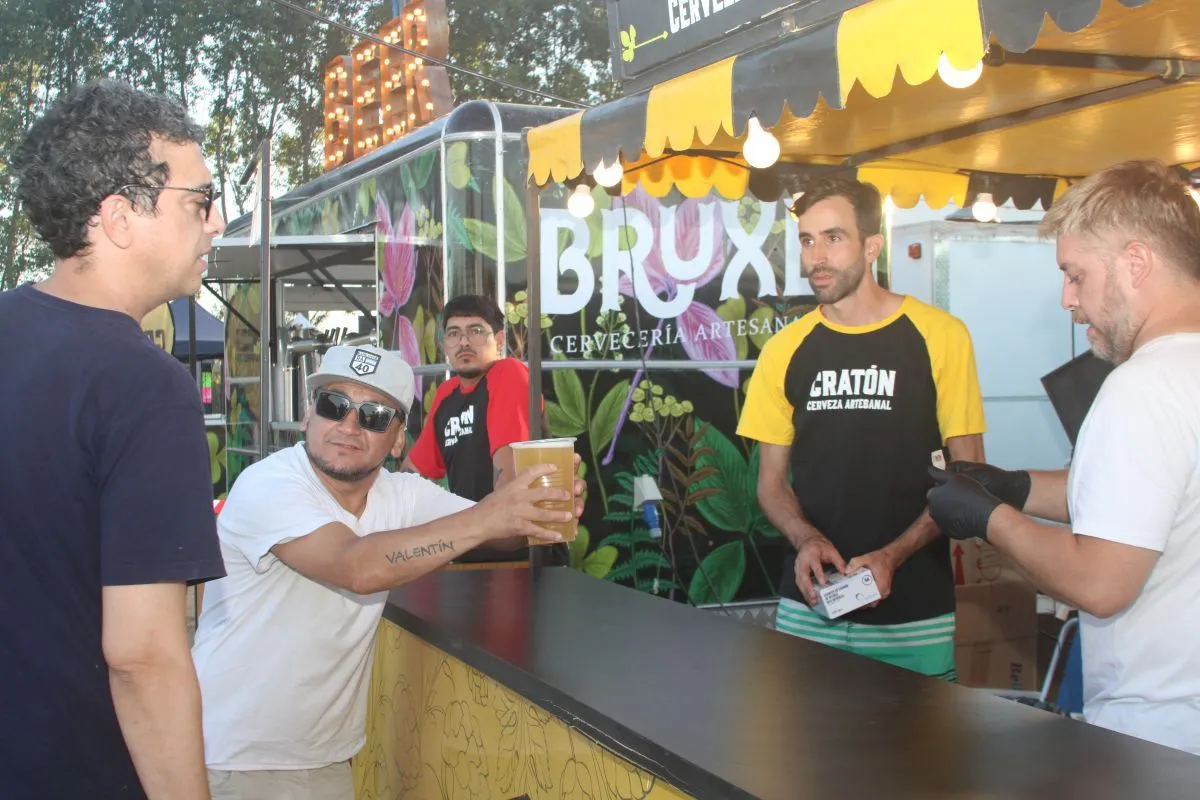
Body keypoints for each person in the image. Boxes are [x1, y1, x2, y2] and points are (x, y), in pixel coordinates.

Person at [192, 344, 582, 799]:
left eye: (374, 415)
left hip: (322, 758)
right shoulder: (269, 484)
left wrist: (534, 511)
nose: (349, 426)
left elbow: (495, 533)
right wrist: (492, 516)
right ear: (308, 416)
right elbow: (355, 566)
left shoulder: (400, 495)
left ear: (398, 439)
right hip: (236, 760)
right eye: (333, 405)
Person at [0, 80, 227, 799]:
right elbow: (142, 654)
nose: (216, 224)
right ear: (121, 217)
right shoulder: (144, 386)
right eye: (199, 200)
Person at [928, 159, 1200, 754]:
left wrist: (989, 519)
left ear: (1135, 263)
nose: (1066, 300)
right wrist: (1014, 485)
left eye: (1075, 275)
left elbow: (1100, 582)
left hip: (1160, 733)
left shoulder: (1142, 387)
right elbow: (1144, 501)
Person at [737, 175, 985, 680]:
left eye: (833, 238)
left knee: (918, 757)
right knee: (803, 756)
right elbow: (771, 483)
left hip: (915, 613)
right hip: (810, 612)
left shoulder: (941, 337)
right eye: (807, 240)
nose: (816, 258)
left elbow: (970, 477)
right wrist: (805, 538)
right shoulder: (784, 350)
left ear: (872, 246)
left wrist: (894, 555)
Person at [405, 293, 542, 563]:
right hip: (470, 552)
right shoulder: (446, 394)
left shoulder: (509, 374)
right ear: (445, 344)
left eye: (476, 331)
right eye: (454, 333)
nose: (464, 342)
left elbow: (510, 484)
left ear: (500, 340)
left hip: (520, 558)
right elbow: (410, 475)